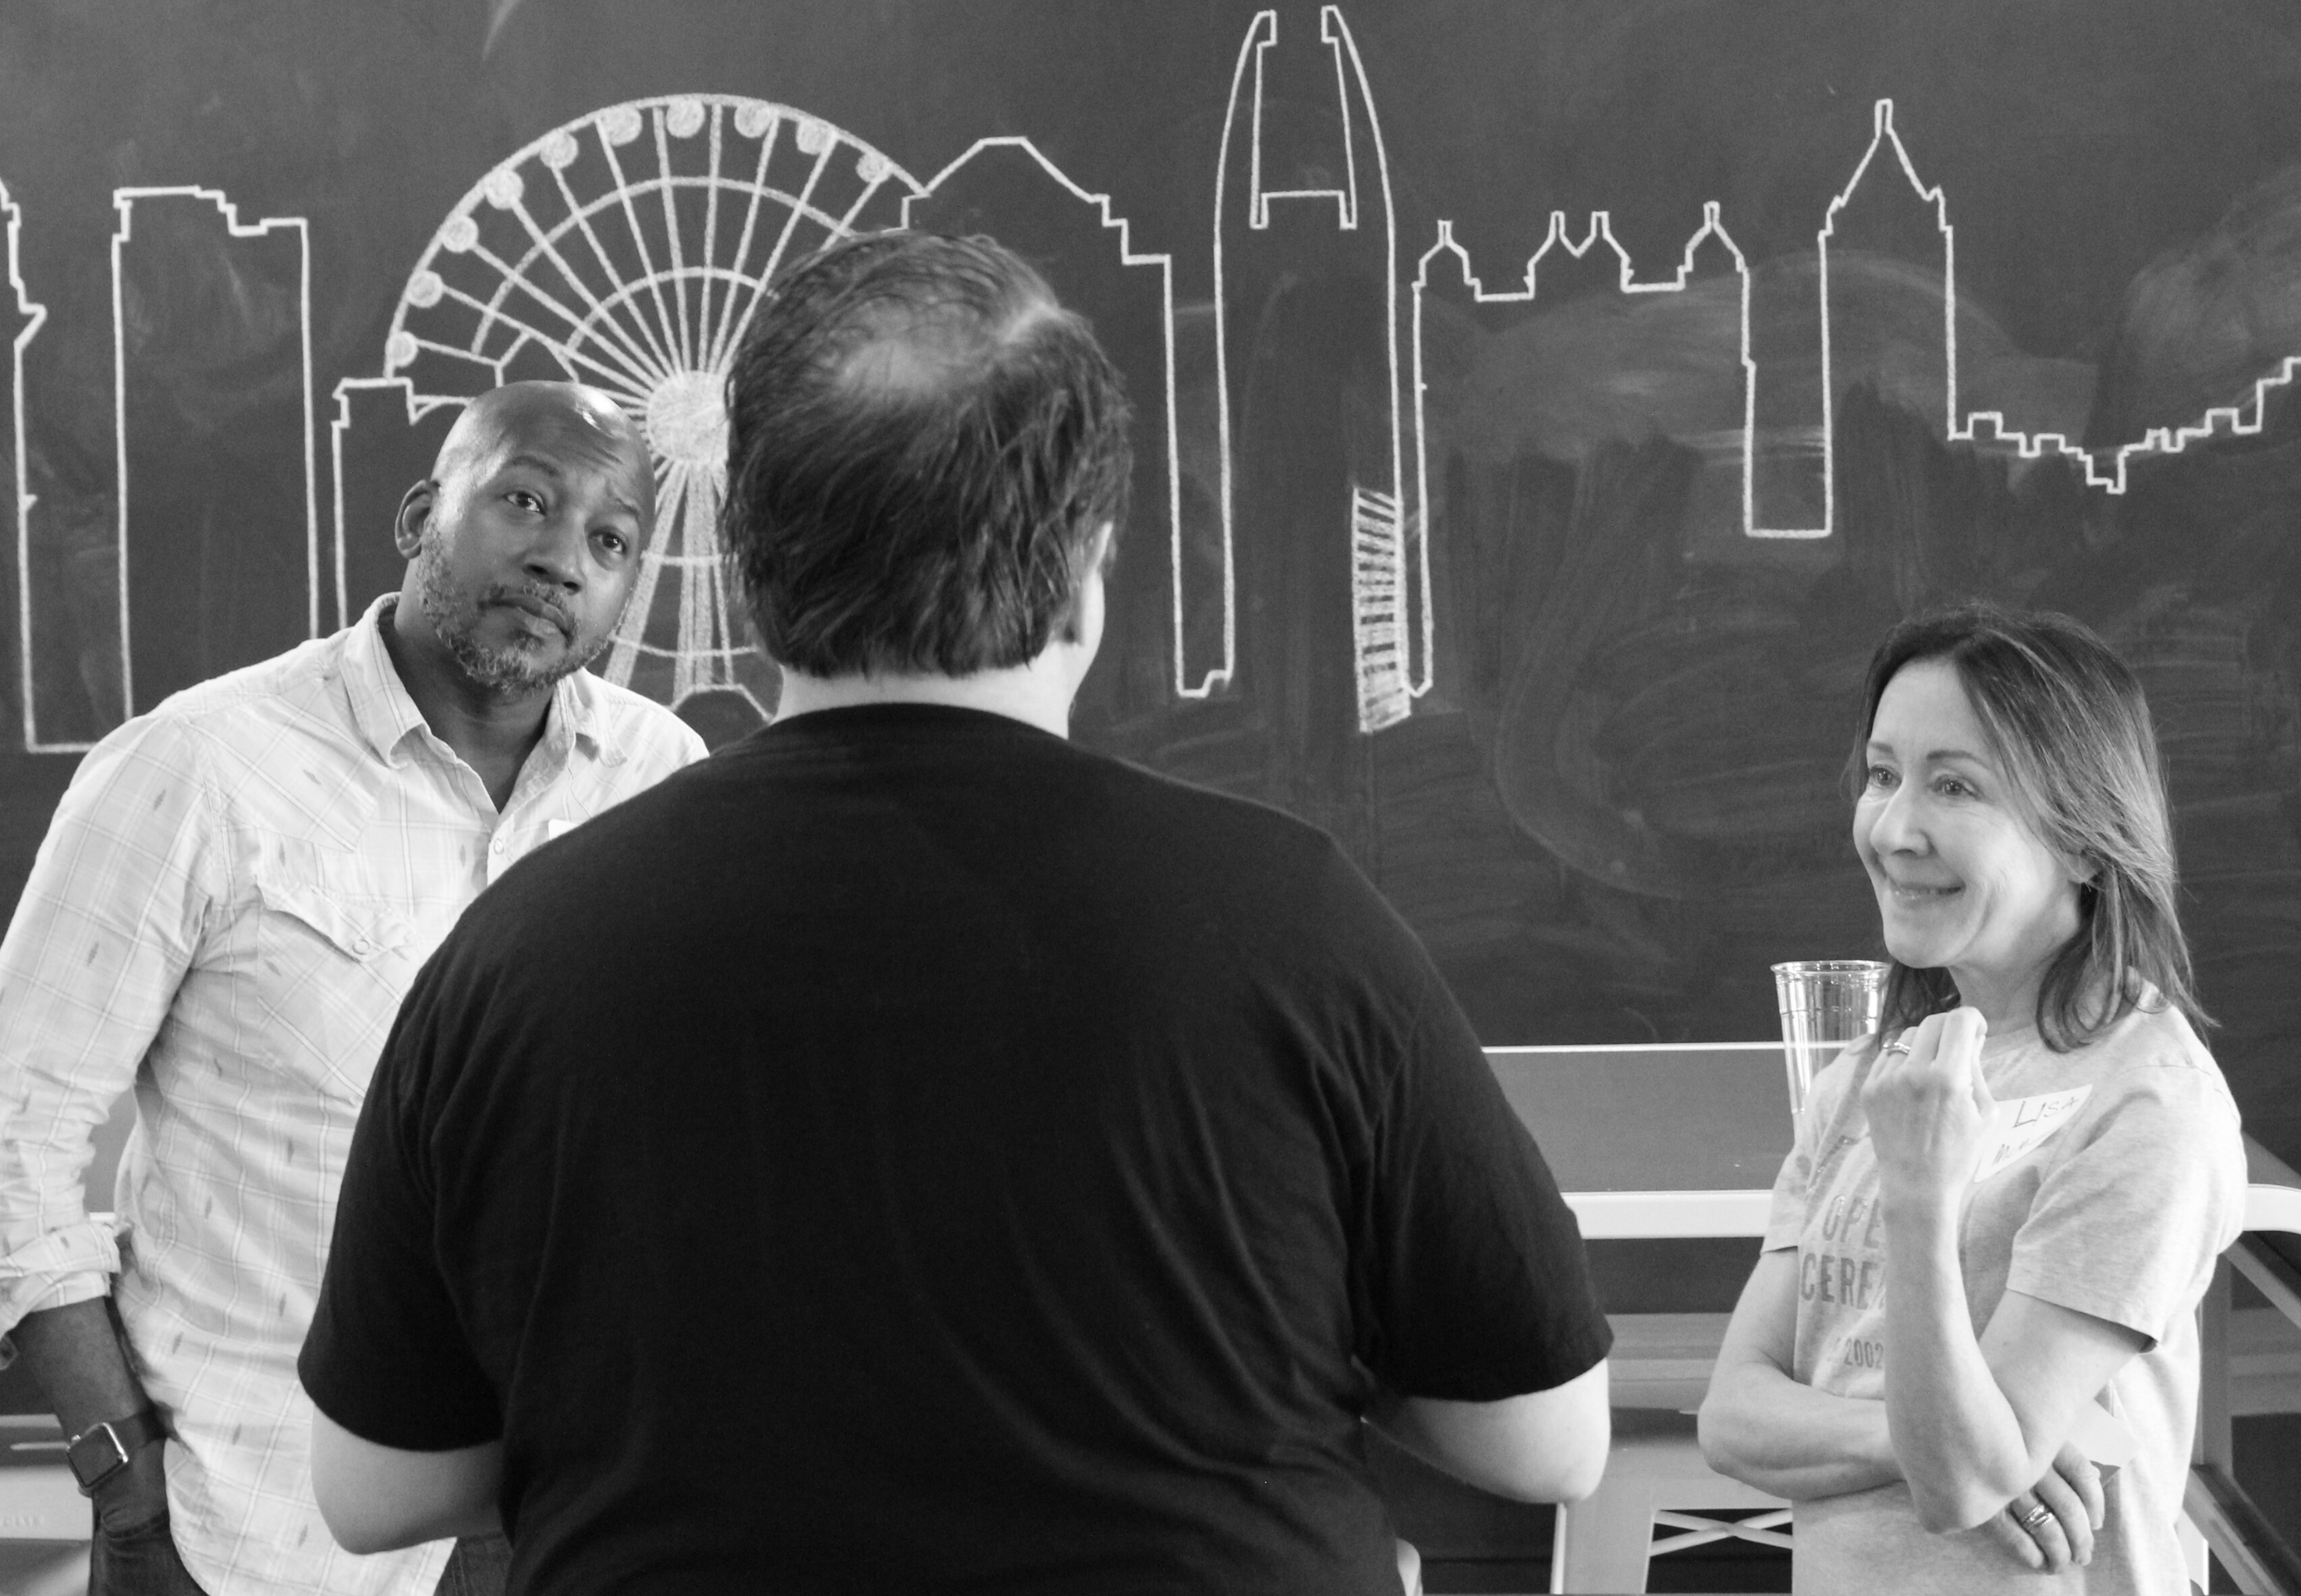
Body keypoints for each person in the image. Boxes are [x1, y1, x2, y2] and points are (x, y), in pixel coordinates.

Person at [295, 230, 1614, 1595]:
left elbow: (381, 1485)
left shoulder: (521, 950)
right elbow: (1545, 1438)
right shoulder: (1296, 923)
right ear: (1088, 568)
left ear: (748, 571)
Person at [0, 381, 707, 1596]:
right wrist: (124, 1490)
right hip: (241, 1532)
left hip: (564, 1525)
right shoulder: (200, 768)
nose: (563, 559)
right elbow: (6, 1134)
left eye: (610, 542)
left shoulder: (660, 784)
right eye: (525, 499)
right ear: (422, 514)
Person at [1699, 605, 2247, 1594]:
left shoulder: (2149, 1106)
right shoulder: (1868, 1078)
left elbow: (1959, 1482)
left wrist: (1920, 1192)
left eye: (1955, 785)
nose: (1894, 828)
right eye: (1881, 773)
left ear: (2087, 842)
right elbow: (1732, 1417)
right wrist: (1961, 1434)